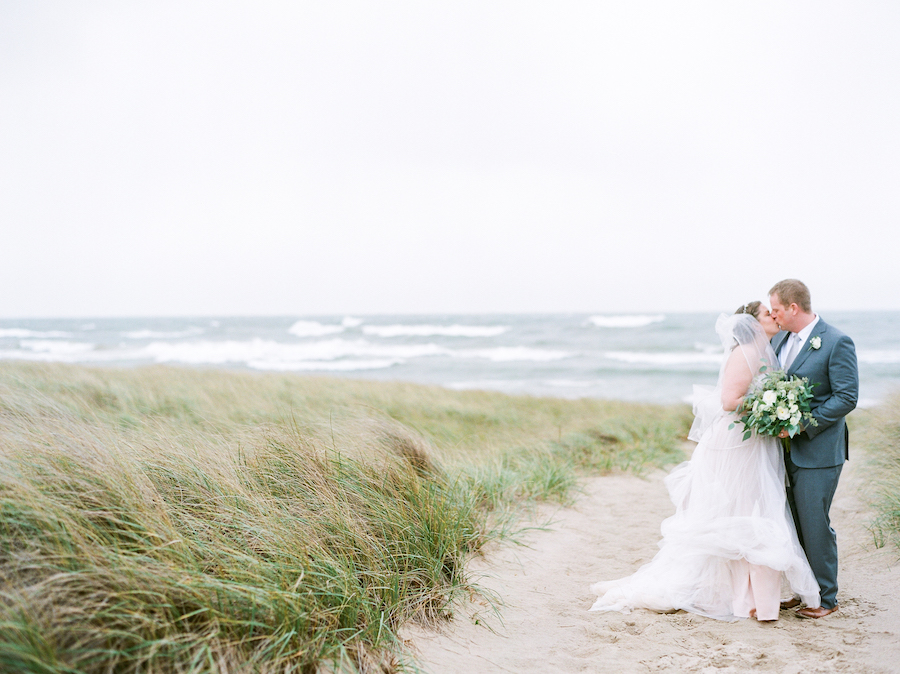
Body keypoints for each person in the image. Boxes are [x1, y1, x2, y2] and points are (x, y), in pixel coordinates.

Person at [589, 302, 820, 621]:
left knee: (748, 510)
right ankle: (735, 597)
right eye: (768, 313)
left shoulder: (766, 350)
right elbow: (729, 401)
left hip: (754, 441)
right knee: (735, 512)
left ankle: (748, 598)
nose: (775, 316)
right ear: (752, 323)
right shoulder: (746, 353)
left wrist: (779, 407)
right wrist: (769, 407)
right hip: (736, 443)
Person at [768, 279, 858, 619]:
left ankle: (827, 597)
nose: (773, 316)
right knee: (792, 522)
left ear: (793, 308)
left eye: (776, 309)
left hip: (819, 451)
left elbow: (847, 396)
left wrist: (801, 424)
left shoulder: (836, 341)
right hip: (783, 451)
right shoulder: (780, 340)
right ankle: (804, 590)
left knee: (814, 522)